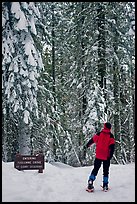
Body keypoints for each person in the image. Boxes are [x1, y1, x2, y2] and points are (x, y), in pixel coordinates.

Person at [84, 122, 115, 192]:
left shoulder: (99, 134)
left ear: (104, 127)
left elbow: (92, 140)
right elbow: (112, 147)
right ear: (110, 128)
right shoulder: (111, 136)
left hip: (98, 155)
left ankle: (90, 181)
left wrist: (87, 145)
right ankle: (105, 185)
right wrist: (110, 156)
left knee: (95, 169)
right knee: (105, 171)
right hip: (106, 156)